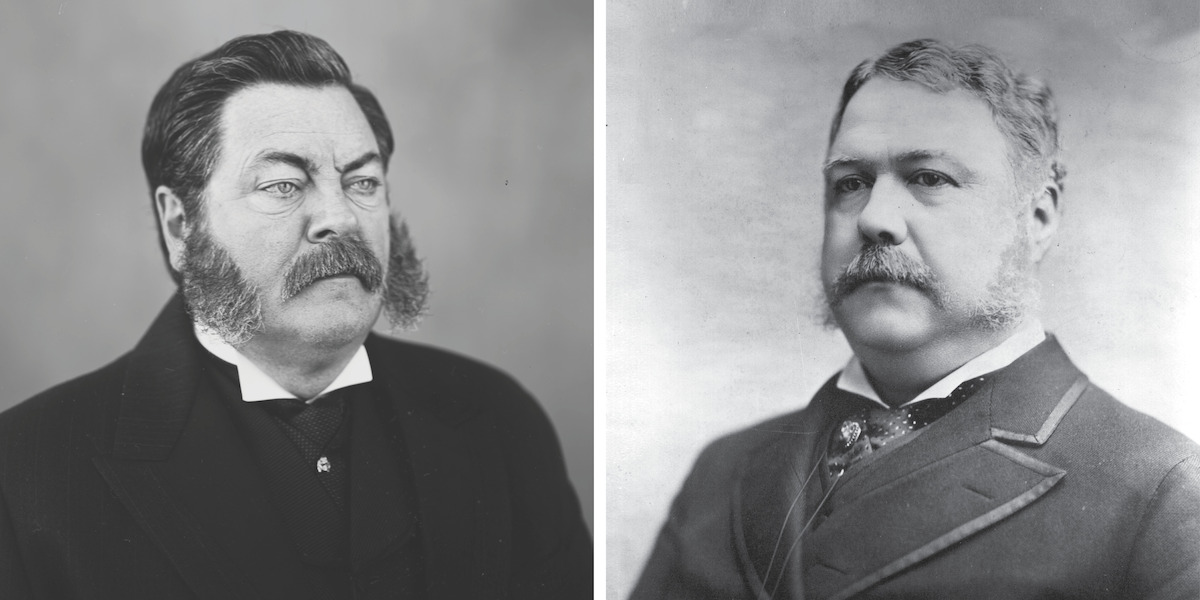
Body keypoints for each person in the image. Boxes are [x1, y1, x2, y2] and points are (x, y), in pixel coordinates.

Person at [0, 30, 590, 599]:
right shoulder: (27, 470)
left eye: (362, 181)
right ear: (181, 225)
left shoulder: (499, 420)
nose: (341, 216)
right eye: (283, 185)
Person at [631, 39, 1199, 600]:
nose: (876, 218)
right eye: (850, 184)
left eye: (928, 178)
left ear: (1039, 217)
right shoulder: (725, 472)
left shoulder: (1161, 492)